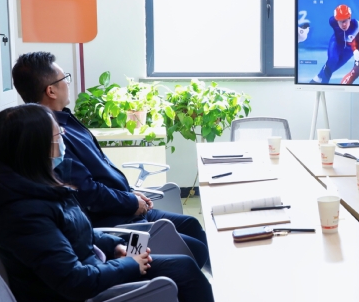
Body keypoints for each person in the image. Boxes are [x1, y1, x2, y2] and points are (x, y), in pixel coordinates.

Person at [0, 104, 231, 302]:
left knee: (180, 269)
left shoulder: (28, 183)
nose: (63, 142)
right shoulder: (22, 210)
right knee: (178, 275)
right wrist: (129, 265)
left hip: (88, 271)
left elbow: (77, 231)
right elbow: (74, 281)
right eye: (57, 137)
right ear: (35, 147)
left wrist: (114, 246)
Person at [11, 52, 210, 269]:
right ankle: (156, 279)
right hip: (117, 226)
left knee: (191, 225)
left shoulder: (66, 122)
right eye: (64, 79)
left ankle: (213, 281)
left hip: (126, 208)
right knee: (194, 251)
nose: (68, 83)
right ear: (51, 90)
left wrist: (131, 194)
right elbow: (87, 193)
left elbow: (101, 174)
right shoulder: (52, 137)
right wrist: (131, 202)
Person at [311, 4, 359, 83]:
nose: (343, 24)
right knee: (332, 60)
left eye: (345, 20)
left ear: (350, 18)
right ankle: (324, 84)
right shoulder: (332, 21)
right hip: (337, 42)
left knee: (334, 66)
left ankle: (318, 77)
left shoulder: (358, 25)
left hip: (349, 47)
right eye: (340, 21)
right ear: (336, 20)